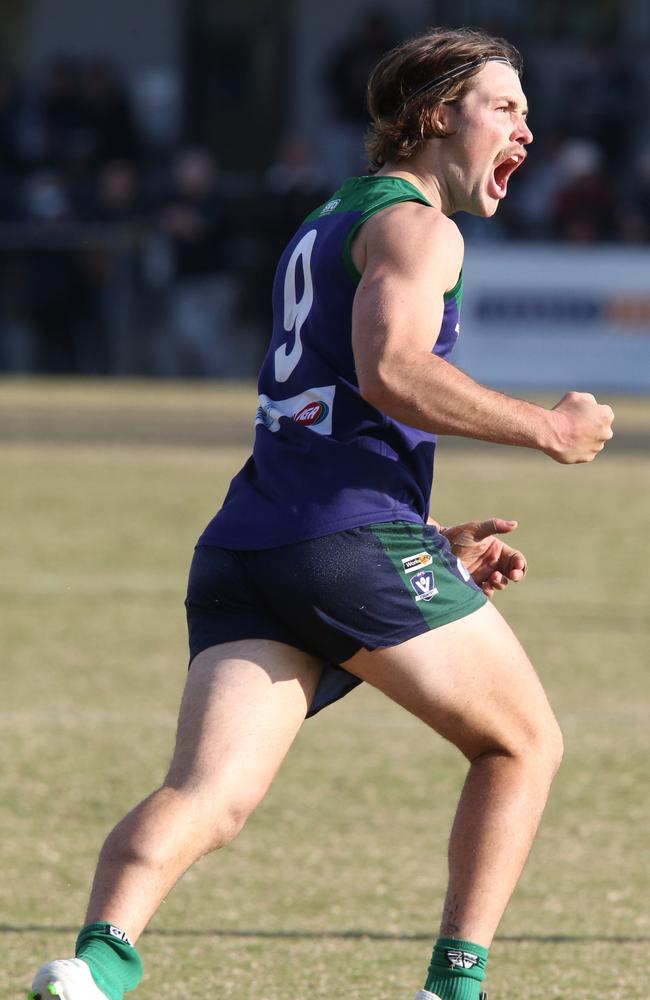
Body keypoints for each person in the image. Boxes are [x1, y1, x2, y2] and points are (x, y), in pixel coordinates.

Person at [30, 26, 614, 1000]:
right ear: (436, 116)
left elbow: (329, 408)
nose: (525, 127)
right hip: (340, 539)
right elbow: (391, 372)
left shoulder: (329, 219)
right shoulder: (421, 226)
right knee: (521, 743)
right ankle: (453, 987)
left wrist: (427, 539)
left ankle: (93, 964)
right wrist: (545, 429)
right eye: (504, 107)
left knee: (208, 794)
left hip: (252, 544)